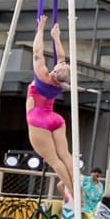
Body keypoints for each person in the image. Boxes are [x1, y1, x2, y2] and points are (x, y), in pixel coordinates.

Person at [25, 15, 76, 208]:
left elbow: (37, 51)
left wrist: (40, 28)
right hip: (54, 118)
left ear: (56, 71)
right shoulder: (59, 84)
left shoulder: (43, 76)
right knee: (65, 155)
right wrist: (56, 38)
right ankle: (75, 188)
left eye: (61, 65)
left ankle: (72, 191)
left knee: (54, 160)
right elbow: (61, 58)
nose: (61, 62)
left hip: (38, 119)